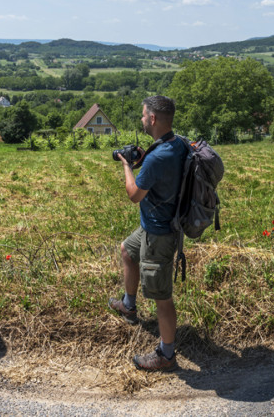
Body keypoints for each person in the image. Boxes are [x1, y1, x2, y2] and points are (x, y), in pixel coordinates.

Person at [108, 95, 189, 371]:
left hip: (160, 235)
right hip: (152, 226)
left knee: (161, 297)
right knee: (127, 251)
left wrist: (127, 166)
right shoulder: (175, 143)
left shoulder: (159, 157)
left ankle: (166, 355)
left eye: (143, 115)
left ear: (152, 119)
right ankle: (129, 306)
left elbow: (134, 194)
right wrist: (145, 158)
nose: (142, 119)